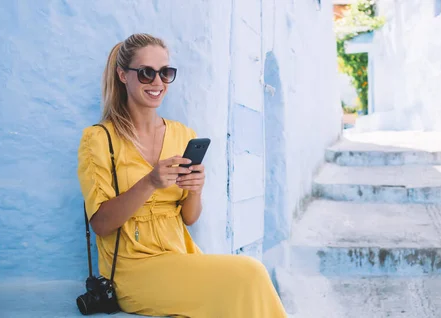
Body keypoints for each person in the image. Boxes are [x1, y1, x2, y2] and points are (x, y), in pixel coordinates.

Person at [77, 33, 287, 318]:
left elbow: (189, 217)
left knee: (242, 286)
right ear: (123, 75)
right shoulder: (99, 139)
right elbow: (101, 224)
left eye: (165, 73)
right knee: (249, 272)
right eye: (146, 73)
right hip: (132, 268)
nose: (157, 83)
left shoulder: (182, 134)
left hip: (180, 256)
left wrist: (196, 189)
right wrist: (149, 182)